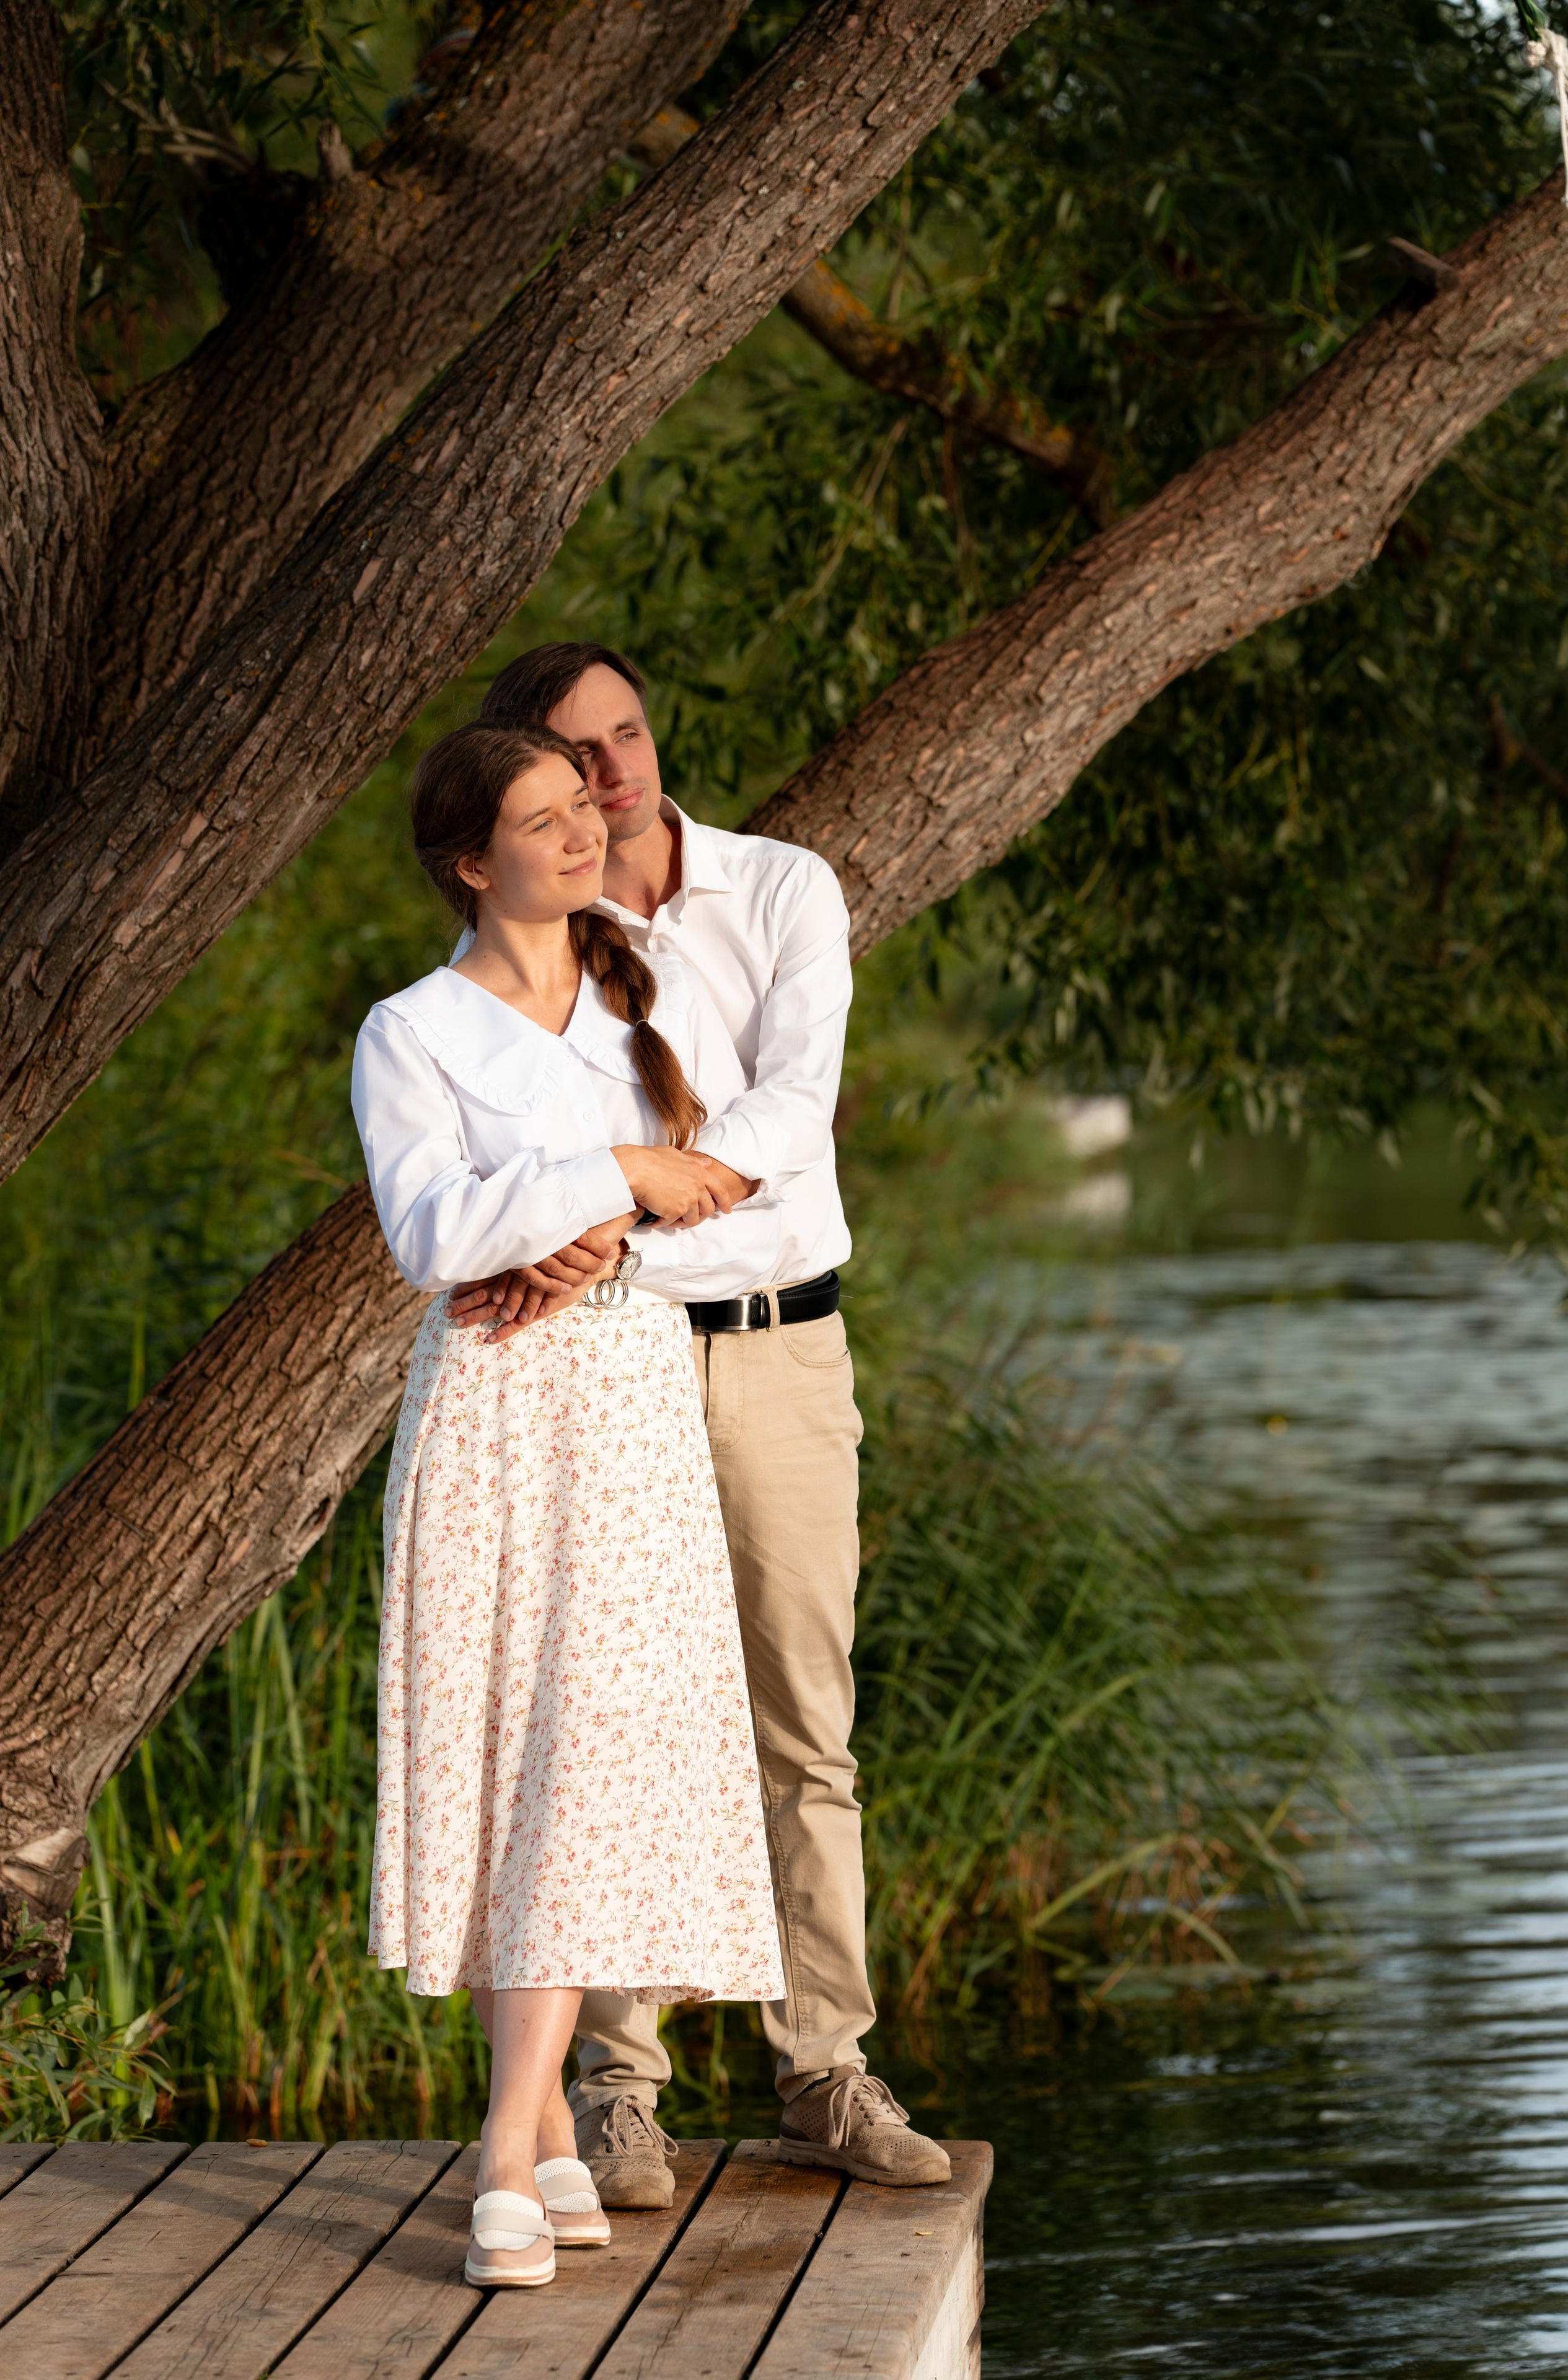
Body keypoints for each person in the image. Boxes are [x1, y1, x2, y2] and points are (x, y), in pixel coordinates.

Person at [447, 643, 953, 2193]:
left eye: (628, 736)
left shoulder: (786, 889)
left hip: (785, 1354)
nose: (614, 777)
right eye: (577, 761)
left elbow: (793, 1115)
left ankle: (825, 2072)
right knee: (611, 1731)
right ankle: (620, 2087)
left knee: (806, 1725)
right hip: (617, 1361)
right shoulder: (548, 940)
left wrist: (632, 1208)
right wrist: (627, 1212)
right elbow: (552, 1153)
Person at [351, 720, 786, 2288]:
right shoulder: (412, 1031)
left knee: (591, 1751)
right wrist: (610, 1175)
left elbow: (733, 1187)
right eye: (539, 821)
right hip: (491, 1411)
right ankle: (518, 2147)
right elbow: (427, 1233)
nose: (581, 832)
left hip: (628, 1401)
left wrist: (611, 1232)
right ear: (474, 863)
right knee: (509, 1745)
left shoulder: (640, 992)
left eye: (577, 806)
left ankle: (518, 2141)